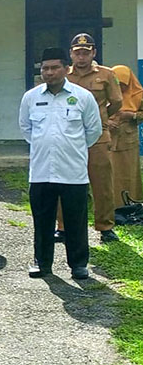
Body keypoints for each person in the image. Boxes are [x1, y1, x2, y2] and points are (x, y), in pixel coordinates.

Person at [19, 47, 102, 279]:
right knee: (42, 221)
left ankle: (78, 264)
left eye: (55, 68)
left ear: (67, 69)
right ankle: (42, 262)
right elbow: (26, 129)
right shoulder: (31, 98)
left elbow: (92, 131)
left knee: (75, 220)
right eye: (45, 68)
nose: (49, 72)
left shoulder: (83, 97)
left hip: (72, 171)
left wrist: (69, 148)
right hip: (41, 171)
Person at [58, 33, 123, 243]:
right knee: (64, 181)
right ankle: (63, 226)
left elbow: (116, 102)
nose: (82, 57)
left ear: (93, 52)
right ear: (71, 54)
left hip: (97, 136)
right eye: (77, 53)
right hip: (69, 135)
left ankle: (105, 227)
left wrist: (101, 118)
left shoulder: (106, 74)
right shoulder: (63, 75)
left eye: (86, 53)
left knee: (101, 182)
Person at [109, 65, 143, 206]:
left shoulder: (138, 94)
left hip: (128, 139)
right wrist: (108, 122)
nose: (121, 88)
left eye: (124, 85)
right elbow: (96, 112)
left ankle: (132, 203)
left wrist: (132, 115)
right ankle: (112, 204)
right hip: (109, 139)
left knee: (129, 172)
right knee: (109, 173)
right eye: (118, 84)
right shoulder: (106, 93)